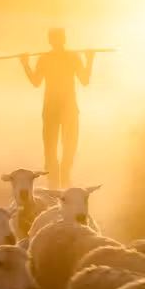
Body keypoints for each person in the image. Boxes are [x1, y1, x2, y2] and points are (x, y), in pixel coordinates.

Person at [19, 28, 95, 188]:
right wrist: (90, 59)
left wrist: (89, 59)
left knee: (62, 145)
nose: (56, 41)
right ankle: (57, 180)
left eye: (57, 38)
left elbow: (35, 81)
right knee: (56, 145)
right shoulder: (59, 58)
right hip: (57, 108)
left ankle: (61, 179)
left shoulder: (57, 58)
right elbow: (85, 80)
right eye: (55, 38)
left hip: (61, 108)